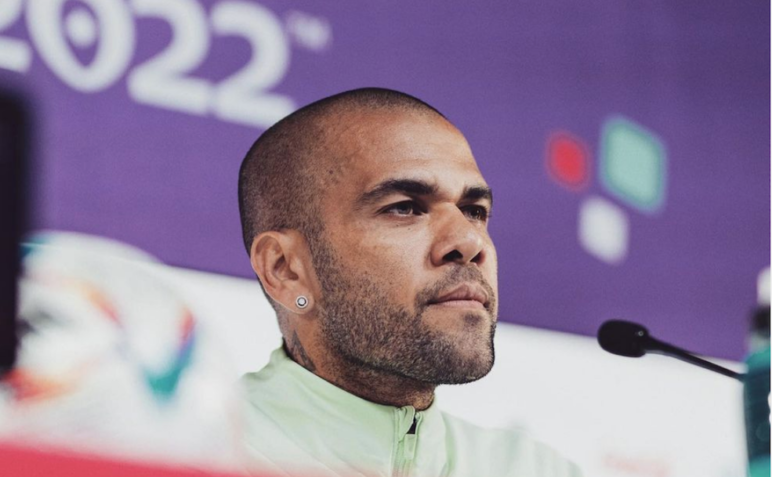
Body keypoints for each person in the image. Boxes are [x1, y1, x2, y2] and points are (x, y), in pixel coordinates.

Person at [236, 88, 581, 476]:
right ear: (285, 270)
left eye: (474, 211)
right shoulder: (195, 448)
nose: (470, 242)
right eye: (404, 208)